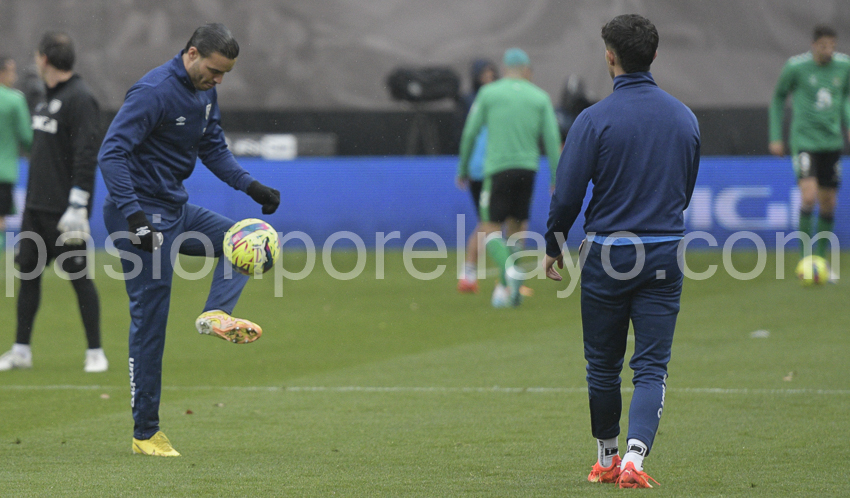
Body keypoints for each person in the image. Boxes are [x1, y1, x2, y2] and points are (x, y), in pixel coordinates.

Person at [99, 23, 281, 457]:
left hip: (175, 210)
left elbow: (212, 147)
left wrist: (250, 186)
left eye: (225, 75)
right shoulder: (154, 91)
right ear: (193, 53)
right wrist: (137, 220)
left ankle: (215, 313)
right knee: (151, 321)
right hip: (140, 218)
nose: (218, 81)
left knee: (248, 238)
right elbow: (112, 153)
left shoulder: (205, 92)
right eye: (214, 71)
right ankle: (146, 433)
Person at [544, 15, 700, 488]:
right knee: (652, 365)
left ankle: (608, 458)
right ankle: (636, 457)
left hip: (607, 254)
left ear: (609, 56)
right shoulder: (684, 118)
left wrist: (554, 243)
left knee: (603, 364)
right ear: (653, 56)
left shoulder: (593, 120)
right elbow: (683, 189)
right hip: (663, 252)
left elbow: (568, 193)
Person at [0, 33, 108, 374]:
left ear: (44, 58)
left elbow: (86, 155)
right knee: (28, 277)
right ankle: (21, 350)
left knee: (80, 279)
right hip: (36, 208)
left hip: (65, 212)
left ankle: (95, 352)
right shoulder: (45, 98)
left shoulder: (80, 98)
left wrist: (78, 204)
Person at [457, 48, 561, 307]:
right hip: (528, 169)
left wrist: (463, 168)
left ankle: (508, 271)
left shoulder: (489, 94)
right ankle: (506, 290)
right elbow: (551, 140)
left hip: (497, 169)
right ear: (527, 71)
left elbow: (470, 132)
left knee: (490, 227)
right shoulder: (539, 97)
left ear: (504, 70)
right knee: (517, 228)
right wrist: (556, 178)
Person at [769, 24, 849, 265]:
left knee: (829, 202)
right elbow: (778, 97)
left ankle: (821, 258)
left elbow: (846, 96)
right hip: (804, 141)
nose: (828, 51)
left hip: (832, 142)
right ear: (814, 45)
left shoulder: (844, 66)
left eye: (832, 46)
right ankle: (805, 258)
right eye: (824, 46)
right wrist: (776, 136)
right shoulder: (796, 67)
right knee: (809, 195)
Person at [456, 58, 498, 294]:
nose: (489, 76)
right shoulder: (473, 101)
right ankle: (472, 273)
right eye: (485, 72)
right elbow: (468, 134)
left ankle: (470, 273)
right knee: (491, 222)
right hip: (485, 168)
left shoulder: (479, 101)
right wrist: (464, 168)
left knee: (491, 222)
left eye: (492, 72)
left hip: (485, 167)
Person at [0, 56, 32, 251]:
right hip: (3, 171)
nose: (15, 76)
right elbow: (27, 138)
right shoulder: (14, 99)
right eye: (11, 71)